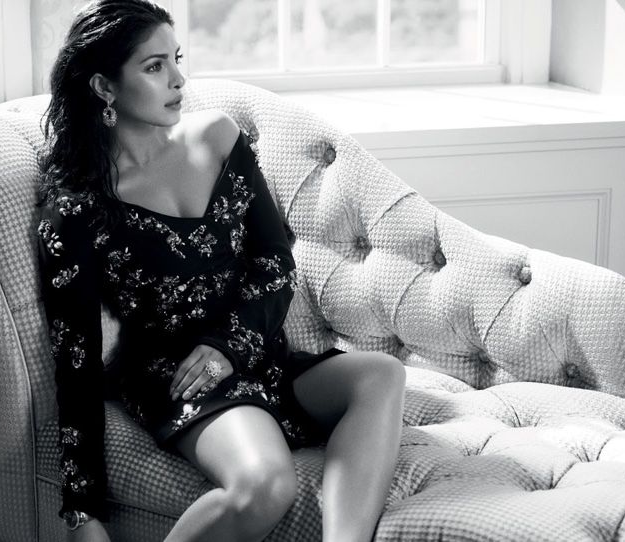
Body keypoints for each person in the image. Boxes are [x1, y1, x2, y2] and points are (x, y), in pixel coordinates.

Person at [37, 1, 406, 540]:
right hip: (179, 378)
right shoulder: (76, 209)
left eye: (176, 58)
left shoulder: (217, 137)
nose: (178, 79)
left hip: (256, 353)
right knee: (264, 485)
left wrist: (229, 347)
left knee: (381, 374)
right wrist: (81, 510)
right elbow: (76, 360)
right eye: (154, 66)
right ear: (103, 87)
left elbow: (274, 263)